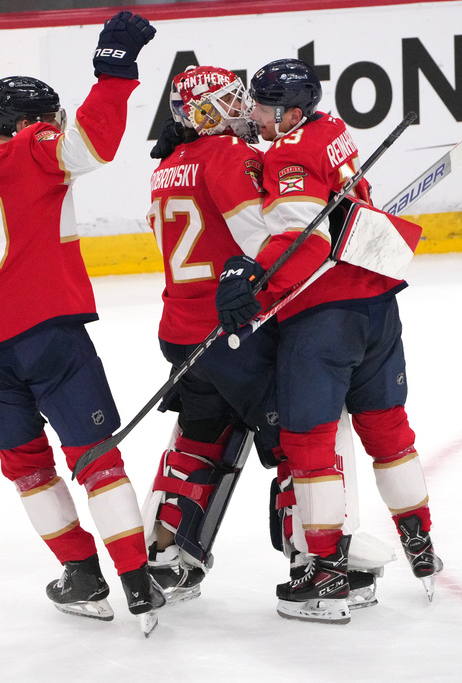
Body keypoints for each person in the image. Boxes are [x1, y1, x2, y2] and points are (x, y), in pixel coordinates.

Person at [0, 11, 165, 634]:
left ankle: (80, 575)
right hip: (48, 336)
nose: (56, 128)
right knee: (96, 458)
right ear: (26, 125)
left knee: (27, 468)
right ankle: (135, 579)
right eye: (48, 120)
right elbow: (94, 143)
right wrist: (114, 70)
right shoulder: (35, 151)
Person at [214, 58, 443, 625]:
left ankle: (326, 570)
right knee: (387, 427)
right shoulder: (329, 128)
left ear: (291, 112)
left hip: (325, 317)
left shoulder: (290, 153)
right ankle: (420, 542)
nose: (255, 115)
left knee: (308, 439)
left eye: (265, 107)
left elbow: (301, 242)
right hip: (376, 304)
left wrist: (252, 287)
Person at [141, 65, 280, 604]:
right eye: (230, 103)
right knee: (294, 432)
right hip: (230, 330)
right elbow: (263, 242)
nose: (244, 110)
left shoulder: (167, 166)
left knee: (199, 436)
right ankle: (315, 557)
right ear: (204, 115)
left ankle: (165, 551)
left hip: (180, 330)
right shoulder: (226, 155)